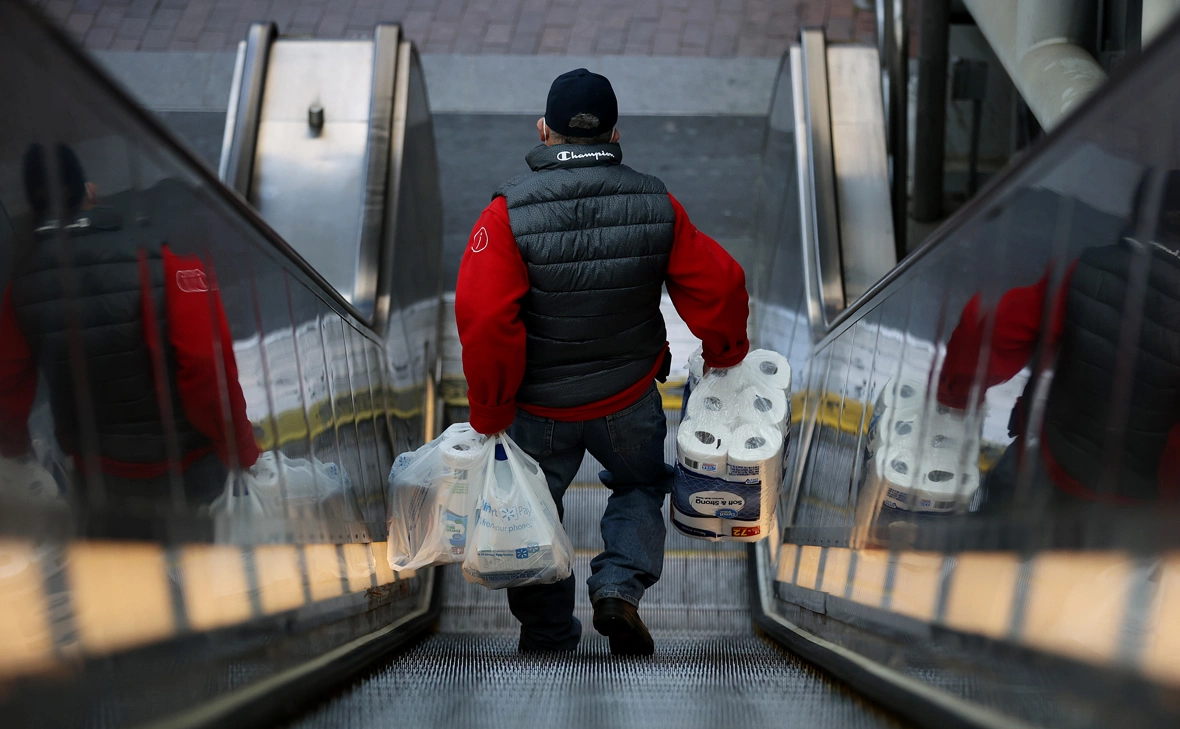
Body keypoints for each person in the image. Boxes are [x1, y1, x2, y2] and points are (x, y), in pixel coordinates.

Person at [455, 69, 750, 655]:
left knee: (533, 514)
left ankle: (548, 633)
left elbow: (488, 319)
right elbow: (720, 285)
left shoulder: (505, 215)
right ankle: (618, 590)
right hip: (629, 396)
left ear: (544, 130)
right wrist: (725, 354)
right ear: (615, 134)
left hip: (537, 409)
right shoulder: (656, 202)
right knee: (640, 485)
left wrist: (490, 410)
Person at [0, 144, 260, 531]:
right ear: (89, 191)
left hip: (98, 475)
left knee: (127, 578)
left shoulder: (20, 286)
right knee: (199, 574)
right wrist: (239, 450)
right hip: (185, 470)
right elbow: (207, 367)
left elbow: (7, 380)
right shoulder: (162, 258)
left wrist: (14, 446)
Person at [937, 170, 1180, 510]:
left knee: (984, 548)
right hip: (1138, 515)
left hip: (1047, 467)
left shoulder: (1084, 269)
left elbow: (990, 328)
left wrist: (956, 393)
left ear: (1133, 217)